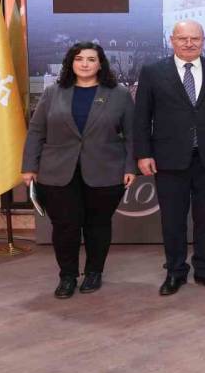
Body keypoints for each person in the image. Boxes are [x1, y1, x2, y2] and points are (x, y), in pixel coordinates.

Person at [134, 20, 205, 296]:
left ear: (203, 40)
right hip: (168, 159)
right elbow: (141, 117)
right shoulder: (153, 72)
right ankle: (175, 271)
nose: (189, 43)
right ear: (172, 40)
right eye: (183, 38)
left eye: (195, 38)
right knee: (172, 219)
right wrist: (143, 154)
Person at [21, 42, 136, 299]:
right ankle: (68, 276)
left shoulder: (119, 94)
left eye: (91, 59)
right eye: (79, 58)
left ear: (100, 64)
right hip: (57, 171)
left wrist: (131, 166)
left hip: (106, 170)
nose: (85, 64)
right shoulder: (53, 93)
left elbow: (132, 134)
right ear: (70, 63)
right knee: (65, 226)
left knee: (98, 225)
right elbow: (36, 131)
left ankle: (94, 272)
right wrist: (29, 166)